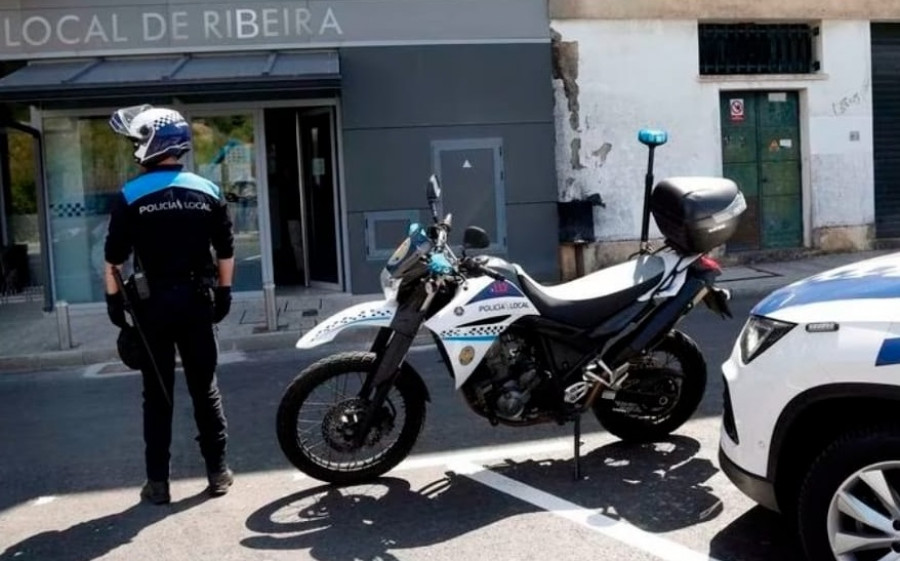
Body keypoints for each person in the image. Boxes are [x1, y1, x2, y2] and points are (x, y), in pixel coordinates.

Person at [103, 104, 236, 505]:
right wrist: (225, 293)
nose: (133, 148)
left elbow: (114, 259)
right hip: (197, 301)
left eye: (136, 141)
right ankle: (218, 474)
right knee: (204, 389)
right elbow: (226, 250)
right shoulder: (208, 190)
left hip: (151, 306)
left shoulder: (131, 195)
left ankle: (158, 483)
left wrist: (114, 303)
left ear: (151, 144)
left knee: (157, 395)